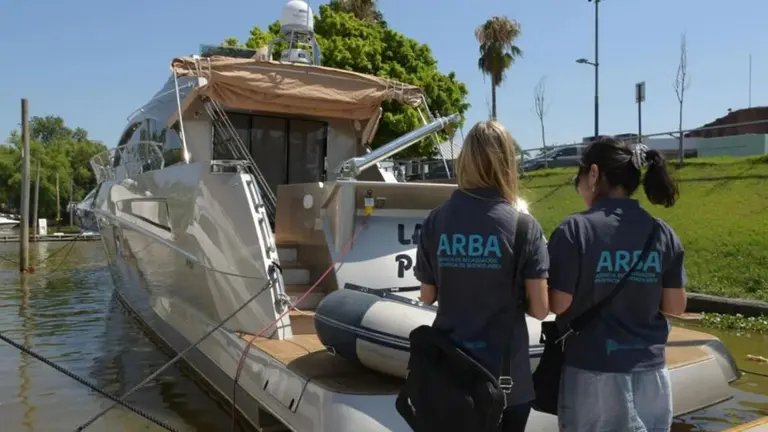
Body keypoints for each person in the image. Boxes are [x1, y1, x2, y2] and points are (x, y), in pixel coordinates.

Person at [413, 120, 550, 431]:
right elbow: (541, 309)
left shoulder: (436, 221)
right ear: (507, 163)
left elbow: (427, 295)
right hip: (506, 382)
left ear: (465, 161)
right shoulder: (525, 227)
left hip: (449, 377)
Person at [547, 138, 688, 432]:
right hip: (652, 374)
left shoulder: (574, 230)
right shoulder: (661, 232)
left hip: (593, 370)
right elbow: (676, 306)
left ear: (595, 174)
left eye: (581, 178)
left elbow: (558, 304)